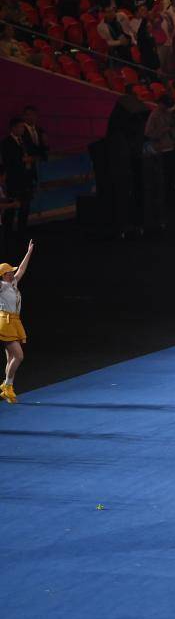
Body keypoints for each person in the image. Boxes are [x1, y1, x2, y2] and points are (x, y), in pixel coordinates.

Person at [0, 240, 33, 404]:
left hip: (14, 322)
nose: (12, 273)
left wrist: (28, 252)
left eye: (11, 272)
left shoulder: (12, 283)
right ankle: (7, 385)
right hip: (5, 322)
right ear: (3, 275)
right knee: (19, 356)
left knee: (11, 357)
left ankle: (8, 388)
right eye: (9, 272)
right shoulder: (1, 286)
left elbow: (21, 269)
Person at [0, 118, 35, 239]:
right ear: (13, 128)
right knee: (11, 208)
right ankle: (7, 233)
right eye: (20, 127)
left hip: (26, 178)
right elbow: (8, 161)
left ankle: (22, 231)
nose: (22, 130)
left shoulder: (24, 140)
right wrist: (22, 160)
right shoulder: (6, 142)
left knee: (25, 207)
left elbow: (33, 151)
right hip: (14, 180)